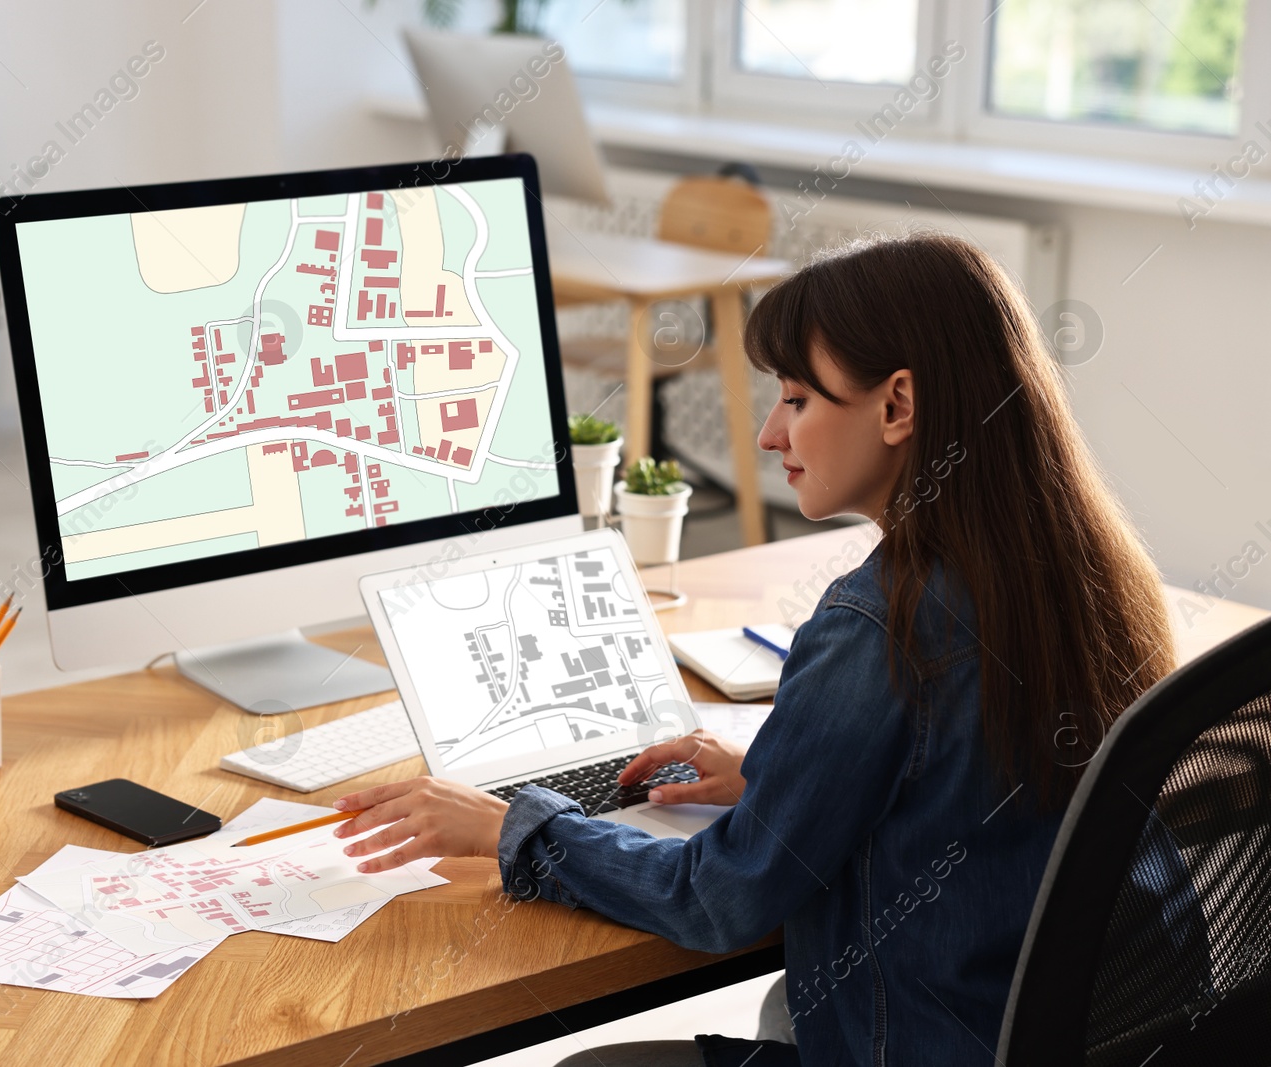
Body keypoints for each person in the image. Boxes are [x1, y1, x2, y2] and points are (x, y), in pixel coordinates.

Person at [331, 232, 1175, 1066]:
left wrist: (514, 828)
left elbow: (718, 899)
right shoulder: (1093, 575)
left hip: (919, 1039)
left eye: (799, 399)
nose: (771, 435)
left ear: (897, 405)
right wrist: (778, 779)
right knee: (784, 1004)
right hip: (1060, 1033)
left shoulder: (877, 623)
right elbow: (976, 787)